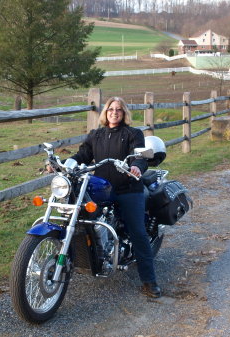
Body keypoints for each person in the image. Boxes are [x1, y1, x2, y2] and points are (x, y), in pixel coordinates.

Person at [69, 96, 161, 298]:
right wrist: (68, 162)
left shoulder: (133, 133)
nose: (114, 112)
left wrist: (137, 166)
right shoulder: (96, 135)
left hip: (128, 188)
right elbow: (83, 155)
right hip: (102, 190)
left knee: (137, 232)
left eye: (119, 109)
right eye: (111, 109)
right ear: (105, 112)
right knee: (81, 221)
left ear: (124, 113)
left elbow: (139, 156)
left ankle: (149, 280)